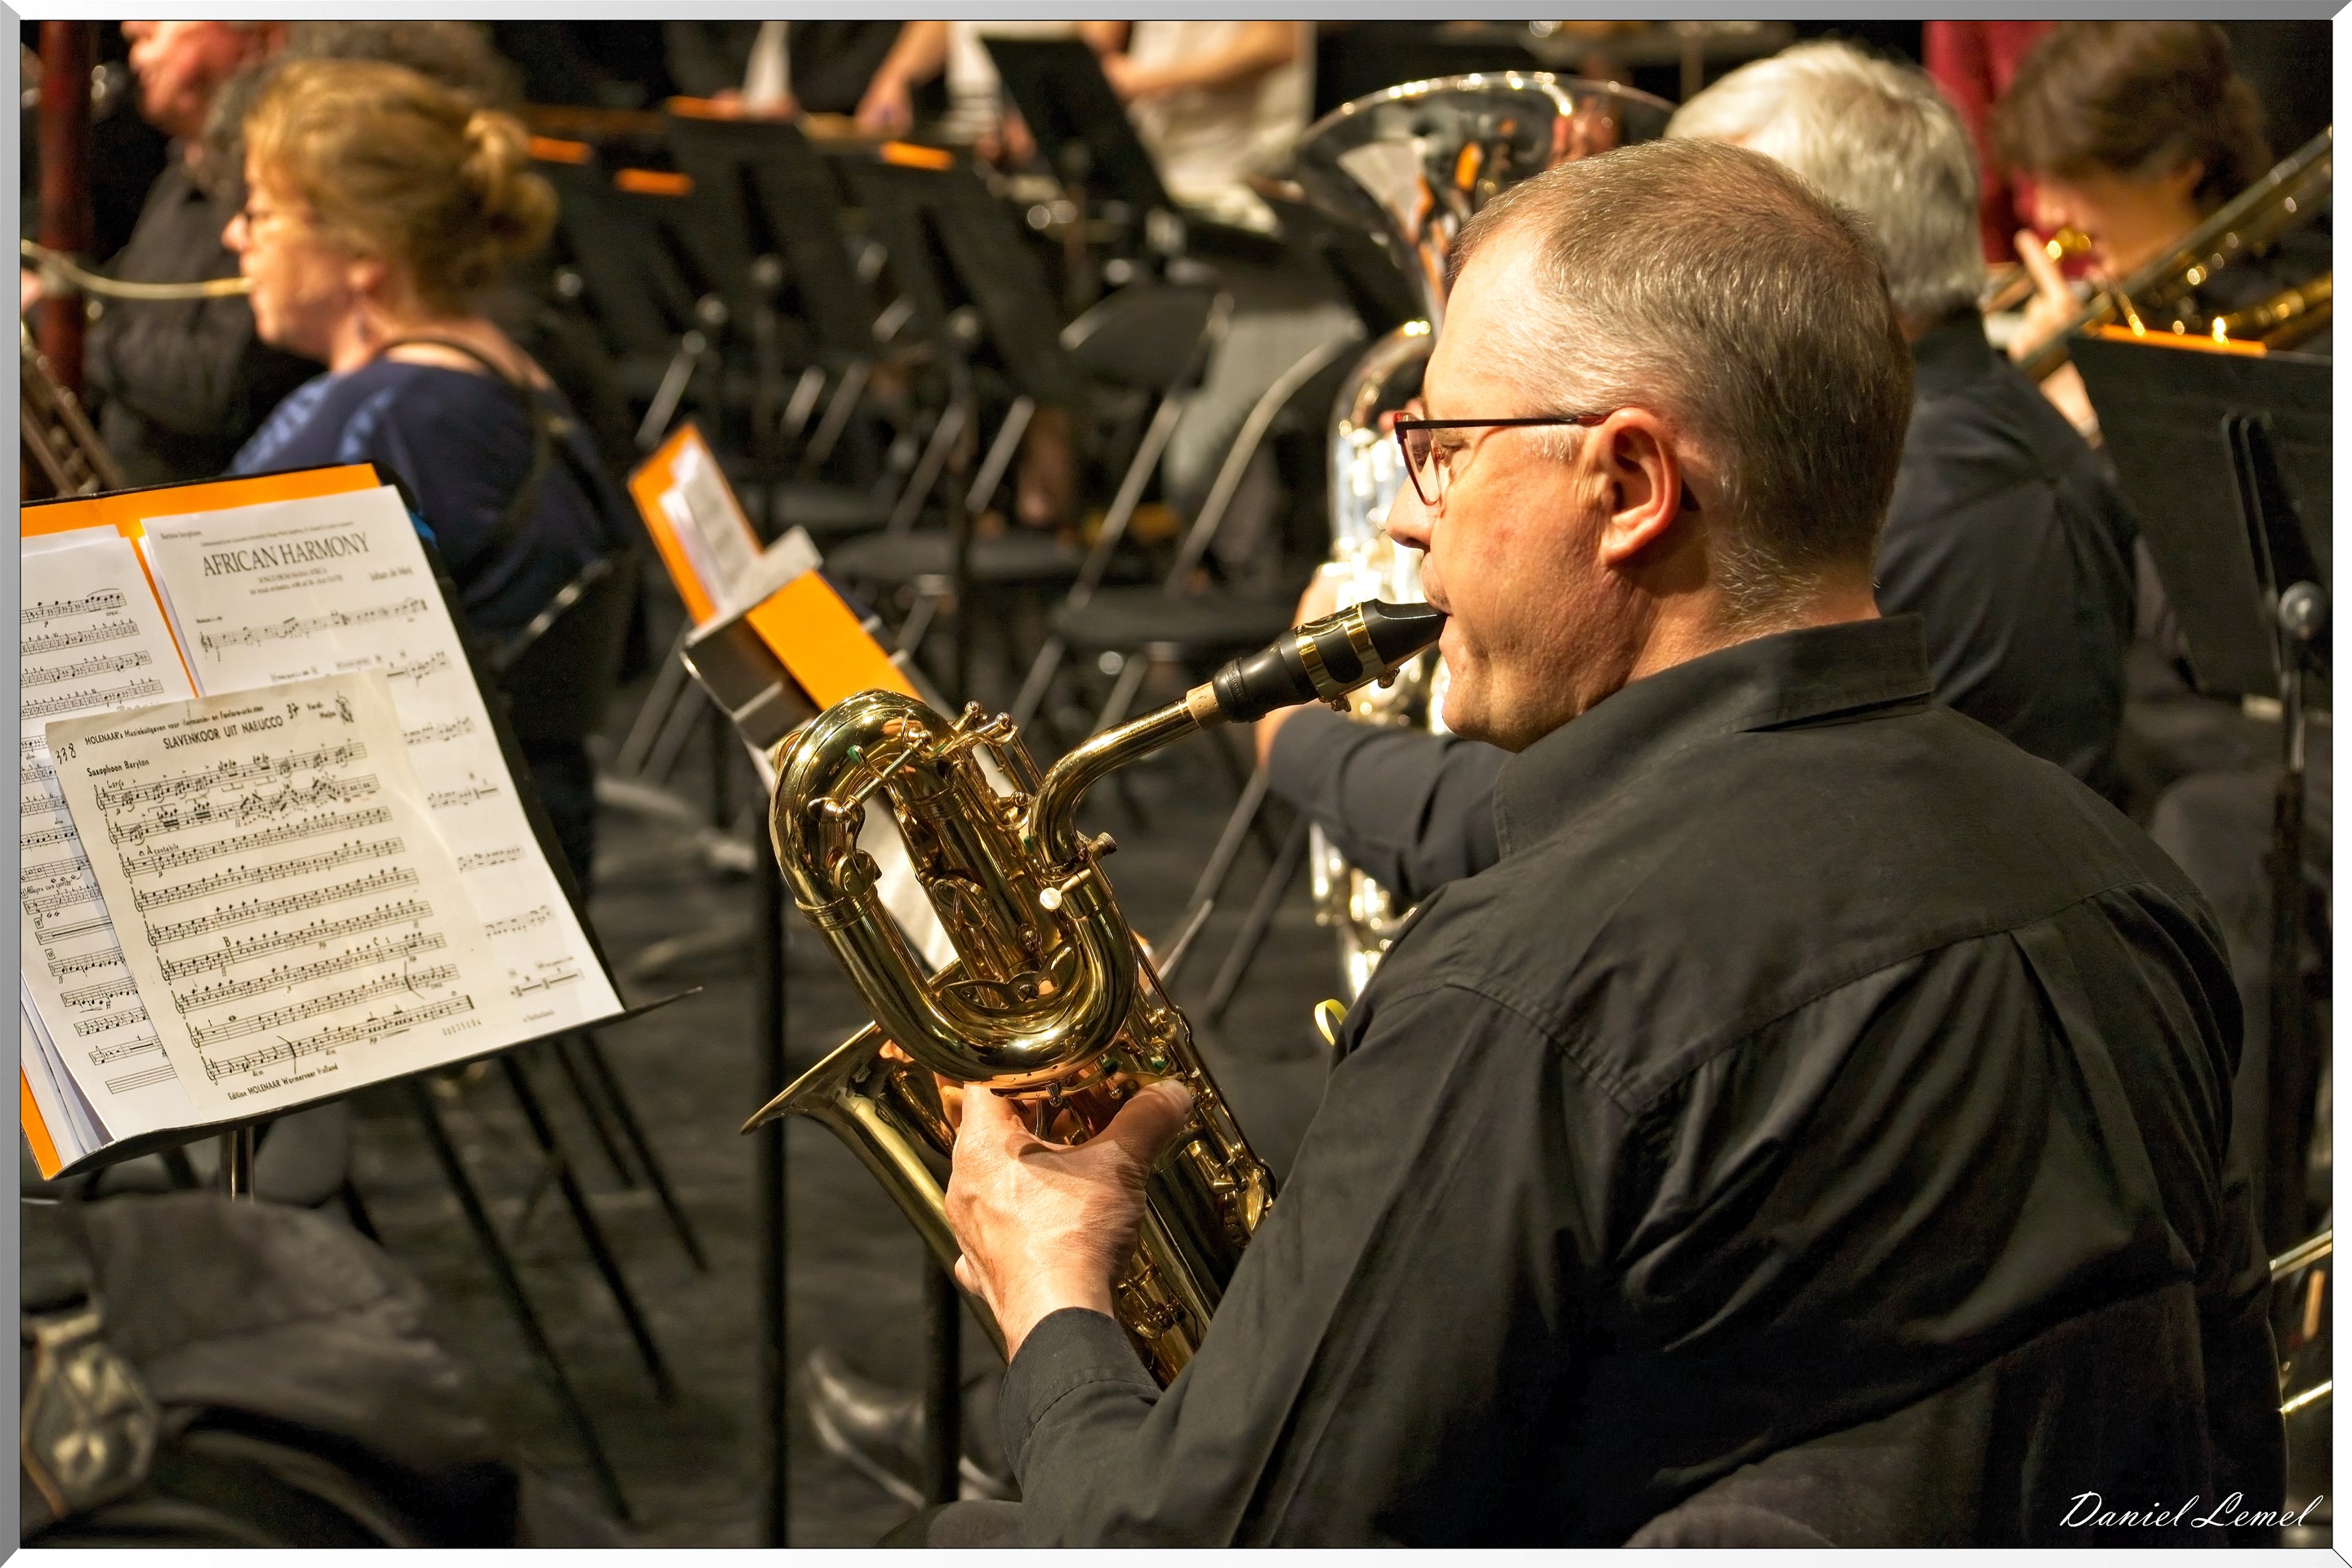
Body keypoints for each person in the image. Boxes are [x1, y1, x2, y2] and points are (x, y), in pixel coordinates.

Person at [915, 138, 2280, 1546]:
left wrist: (1057, 1298)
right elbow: (2225, 1467)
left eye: (1441, 454)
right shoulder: (2127, 880)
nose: (1408, 528)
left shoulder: (1528, 985)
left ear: (1630, 484)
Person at [1263, 40, 2144, 903]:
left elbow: (1539, 830)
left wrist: (1302, 736)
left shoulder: (1880, 499)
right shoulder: (2011, 433)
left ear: (1796, 261)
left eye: (1691, 228)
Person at [221, 59, 627, 884]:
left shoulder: (383, 418)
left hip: (411, 878)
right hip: (531, 850)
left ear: (363, 249)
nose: (236, 236)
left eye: (262, 212)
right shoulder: (511, 370)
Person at [1991, 23, 2299, 429]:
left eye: (2072, 180)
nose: (2047, 214)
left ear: (2178, 165)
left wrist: (2090, 413)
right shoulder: (2127, 305)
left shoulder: (2287, 335)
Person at [55, 21, 317, 486]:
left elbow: (221, 390)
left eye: (157, 27)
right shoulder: (179, 174)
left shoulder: (289, 191)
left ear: (259, 38)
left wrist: (61, 322)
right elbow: (124, 302)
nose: (134, 50)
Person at [1078, 20, 1312, 231]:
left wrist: (1143, 81)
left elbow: (1274, 43)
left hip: (1228, 172)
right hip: (1151, 157)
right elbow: (1096, 37)